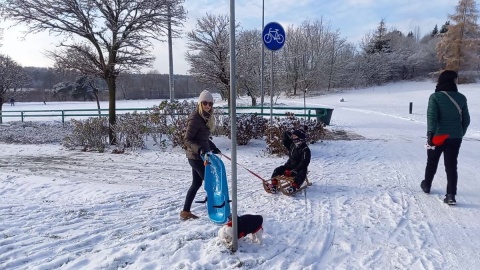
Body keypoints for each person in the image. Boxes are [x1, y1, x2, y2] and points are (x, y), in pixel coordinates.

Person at [421, 70, 470, 205]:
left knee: (432, 161)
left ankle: (427, 185)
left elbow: (432, 117)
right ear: (452, 81)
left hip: (437, 136)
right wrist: (460, 132)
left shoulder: (435, 97)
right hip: (455, 137)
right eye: (455, 79)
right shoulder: (461, 98)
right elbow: (466, 120)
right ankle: (450, 195)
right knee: (451, 165)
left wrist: (430, 134)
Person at [180, 90, 221, 220]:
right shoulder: (195, 118)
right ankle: (217, 207)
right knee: (211, 182)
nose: (208, 105)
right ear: (200, 103)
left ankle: (185, 212)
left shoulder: (205, 117)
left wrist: (214, 148)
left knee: (196, 184)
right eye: (205, 103)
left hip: (200, 155)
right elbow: (187, 140)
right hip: (195, 157)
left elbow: (203, 139)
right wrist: (200, 150)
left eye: (210, 103)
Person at [268, 128, 311, 194]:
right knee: (277, 170)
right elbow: (285, 141)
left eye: (295, 136)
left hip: (299, 168)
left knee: (302, 174)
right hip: (289, 165)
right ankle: (274, 185)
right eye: (292, 136)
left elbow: (304, 163)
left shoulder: (305, 150)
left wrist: (294, 171)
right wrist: (287, 133)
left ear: (300, 137)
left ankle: (294, 186)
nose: (293, 138)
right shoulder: (292, 145)